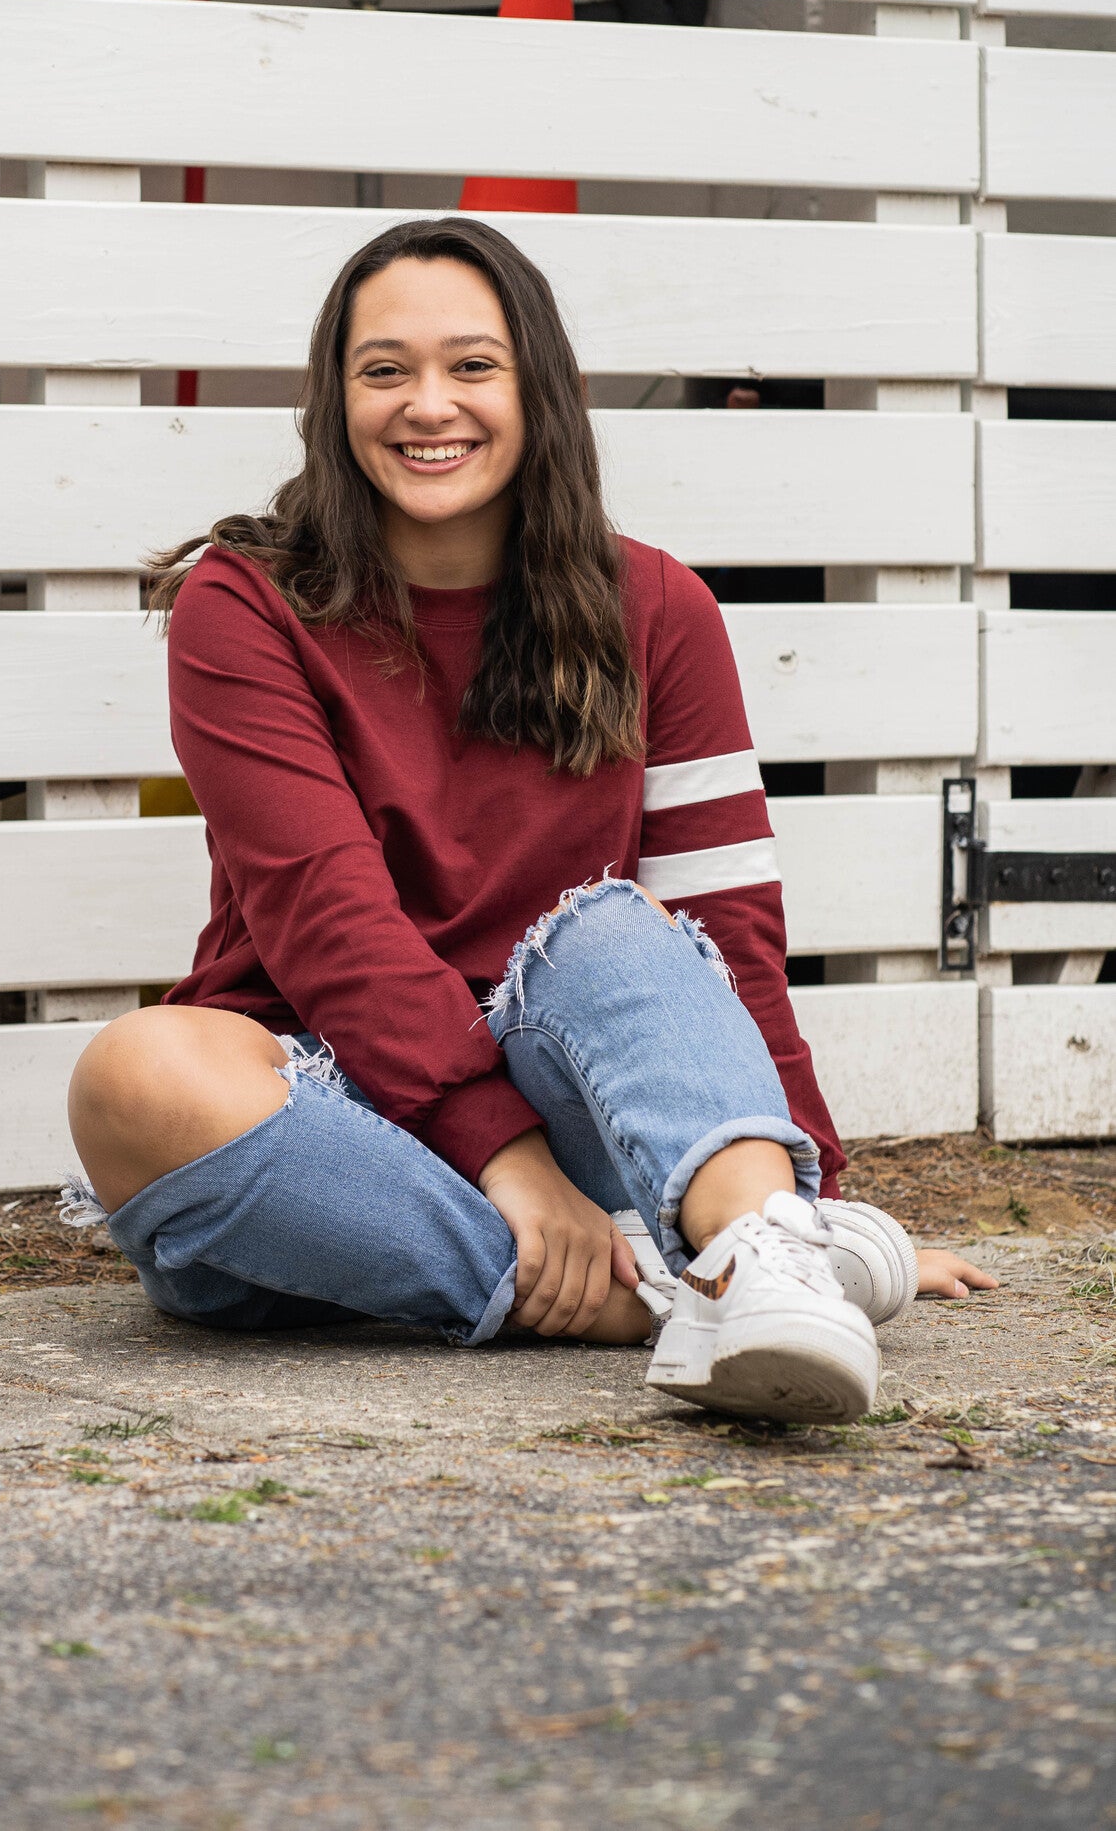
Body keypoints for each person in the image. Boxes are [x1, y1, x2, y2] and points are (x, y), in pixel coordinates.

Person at [61, 217, 995, 1426]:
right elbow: (322, 913)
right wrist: (509, 1166)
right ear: (332, 401)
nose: (426, 404)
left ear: (536, 386)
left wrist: (793, 1190)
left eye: (471, 365)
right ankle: (654, 1290)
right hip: (334, 1155)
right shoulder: (244, 607)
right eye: (383, 369)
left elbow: (726, 930)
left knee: (614, 930)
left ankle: (762, 1256)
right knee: (132, 1072)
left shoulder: (656, 607)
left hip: (571, 1112)